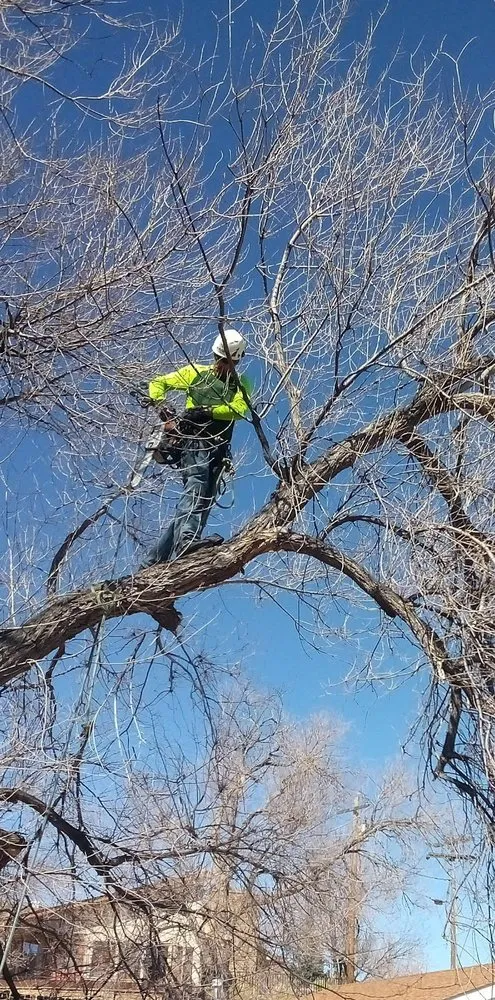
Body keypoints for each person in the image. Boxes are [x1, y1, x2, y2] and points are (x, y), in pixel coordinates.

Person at [142, 329, 252, 566]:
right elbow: (157, 383)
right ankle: (187, 541)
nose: (221, 365)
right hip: (194, 441)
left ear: (237, 361)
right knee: (196, 485)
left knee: (201, 501)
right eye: (220, 360)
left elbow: (239, 410)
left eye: (228, 362)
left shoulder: (242, 383)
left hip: (219, 450)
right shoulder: (195, 373)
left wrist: (207, 411)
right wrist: (165, 412)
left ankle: (154, 562)